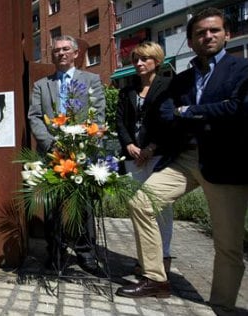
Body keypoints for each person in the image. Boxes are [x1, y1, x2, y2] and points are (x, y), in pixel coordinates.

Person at [115, 9, 248, 314]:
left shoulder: (242, 70)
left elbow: (239, 110)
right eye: (201, 33)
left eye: (214, 30)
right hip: (185, 158)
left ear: (226, 34)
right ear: (190, 41)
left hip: (225, 163)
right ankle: (155, 279)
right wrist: (200, 111)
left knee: (227, 244)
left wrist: (188, 112)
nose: (208, 36)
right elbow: (165, 114)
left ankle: (222, 305)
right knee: (141, 203)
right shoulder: (184, 79)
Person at [27, 35, 106, 273]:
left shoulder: (91, 79)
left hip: (81, 152)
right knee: (52, 206)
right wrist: (51, 144)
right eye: (56, 51)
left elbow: (98, 115)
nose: (60, 53)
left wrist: (81, 143)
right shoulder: (42, 85)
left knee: (83, 205)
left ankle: (86, 253)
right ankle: (55, 252)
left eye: (65, 49)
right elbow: (35, 116)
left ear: (74, 54)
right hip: (53, 154)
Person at [115, 42, 174, 274]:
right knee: (138, 209)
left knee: (162, 209)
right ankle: (145, 260)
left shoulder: (169, 86)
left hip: (158, 155)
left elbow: (170, 121)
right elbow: (120, 121)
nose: (138, 64)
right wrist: (129, 144)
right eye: (135, 60)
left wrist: (151, 147)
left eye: (144, 59)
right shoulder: (127, 90)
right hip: (132, 156)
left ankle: (164, 256)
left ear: (156, 61)